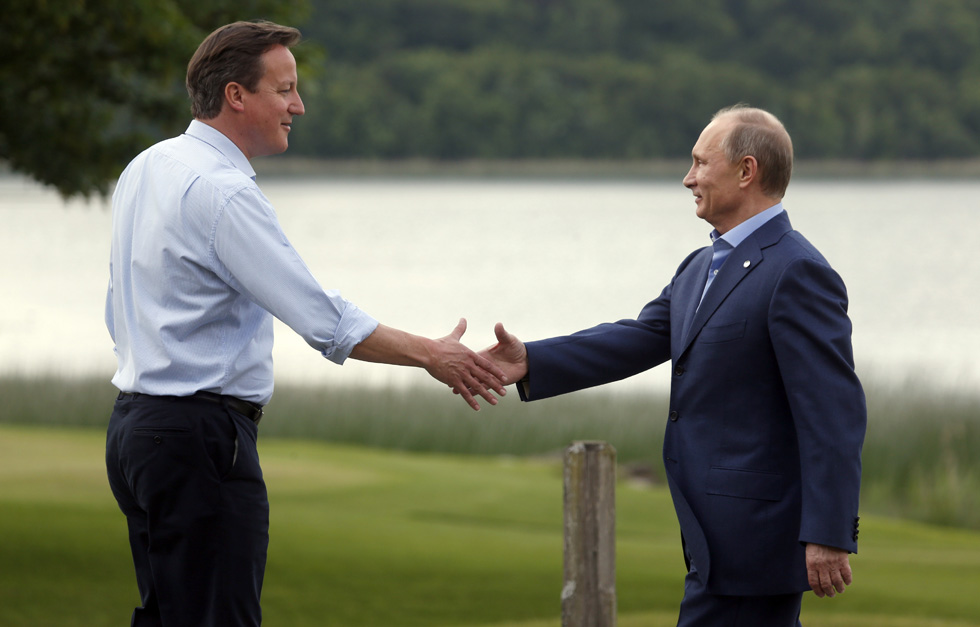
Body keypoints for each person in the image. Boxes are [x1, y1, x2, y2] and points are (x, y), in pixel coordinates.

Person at [103, 20, 506, 626]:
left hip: (135, 432)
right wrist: (432, 354)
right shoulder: (223, 192)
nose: (299, 105)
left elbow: (120, 308)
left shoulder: (147, 167)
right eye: (284, 89)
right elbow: (325, 321)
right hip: (196, 441)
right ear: (236, 95)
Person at [482, 105, 865, 626]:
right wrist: (531, 360)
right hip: (714, 542)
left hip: (756, 541)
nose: (688, 178)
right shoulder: (699, 266)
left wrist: (827, 533)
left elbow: (833, 414)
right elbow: (640, 338)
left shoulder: (796, 271)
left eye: (701, 163)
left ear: (746, 171)